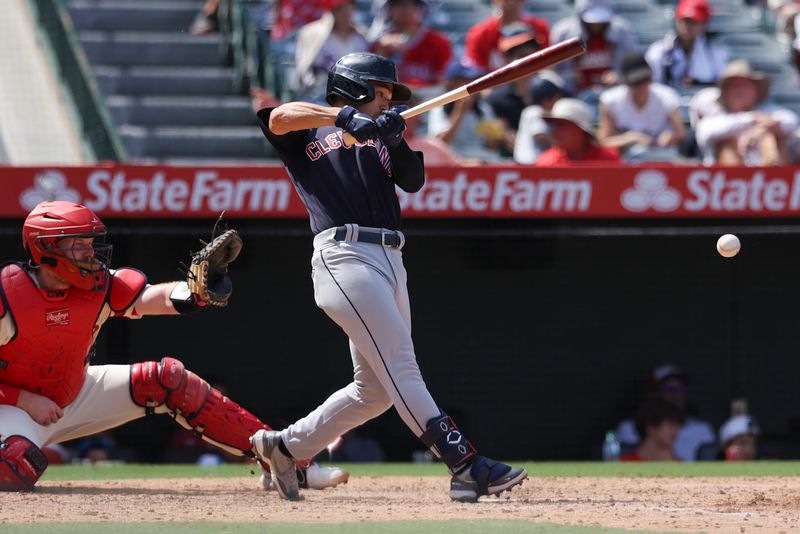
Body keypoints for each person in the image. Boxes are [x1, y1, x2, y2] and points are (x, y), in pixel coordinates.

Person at [252, 52, 527, 502]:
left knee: (375, 391)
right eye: (381, 93)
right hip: (344, 254)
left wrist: (395, 139)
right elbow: (280, 117)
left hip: (391, 259)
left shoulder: (382, 133)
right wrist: (345, 117)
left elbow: (414, 179)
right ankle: (465, 464)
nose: (387, 102)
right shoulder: (313, 130)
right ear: (356, 88)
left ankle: (285, 447)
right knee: (402, 363)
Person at [0, 200, 348, 492]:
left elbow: (153, 297)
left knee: (167, 379)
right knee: (15, 465)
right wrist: (25, 400)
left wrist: (195, 290)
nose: (90, 252)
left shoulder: (99, 285)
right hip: (15, 407)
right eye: (78, 244)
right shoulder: (8, 296)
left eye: (90, 243)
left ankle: (287, 461)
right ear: (46, 249)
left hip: (71, 393)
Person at [695, 60, 800, 165]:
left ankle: (776, 174)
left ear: (756, 89)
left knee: (770, 137)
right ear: (726, 92)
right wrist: (752, 119)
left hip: (770, 176)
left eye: (744, 85)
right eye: (734, 86)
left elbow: (792, 121)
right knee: (727, 144)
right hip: (728, 178)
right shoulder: (717, 115)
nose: (739, 90)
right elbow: (705, 132)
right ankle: (736, 177)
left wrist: (763, 130)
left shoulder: (770, 110)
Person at [597, 52, 686, 162]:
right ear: (625, 82)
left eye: (645, 79)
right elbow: (603, 141)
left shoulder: (667, 96)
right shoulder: (611, 100)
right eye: (636, 82)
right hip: (626, 159)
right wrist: (631, 138)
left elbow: (681, 133)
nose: (642, 86)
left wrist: (671, 137)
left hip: (662, 154)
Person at [616, 365, 716, 461]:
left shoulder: (702, 429)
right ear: (654, 392)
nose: (676, 394)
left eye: (681, 389)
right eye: (670, 389)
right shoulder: (628, 428)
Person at [427, 60, 508, 164]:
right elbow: (440, 143)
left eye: (475, 80)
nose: (474, 85)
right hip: (452, 161)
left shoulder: (484, 109)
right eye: (467, 80)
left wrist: (497, 135)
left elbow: (491, 146)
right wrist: (460, 111)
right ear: (452, 83)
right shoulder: (438, 109)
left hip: (483, 159)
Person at [550, 0, 638, 94]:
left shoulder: (622, 32)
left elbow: (633, 70)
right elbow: (552, 73)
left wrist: (617, 77)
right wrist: (569, 77)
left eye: (601, 21)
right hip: (572, 96)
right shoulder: (563, 33)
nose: (596, 25)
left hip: (612, 95)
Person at [292, 0, 369, 102]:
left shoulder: (361, 37)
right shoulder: (312, 33)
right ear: (332, 10)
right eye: (340, 7)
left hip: (355, 93)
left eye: (349, 6)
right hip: (322, 94)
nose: (346, 11)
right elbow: (305, 71)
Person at [645, 0, 729, 89]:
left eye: (694, 22)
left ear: (704, 25)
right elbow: (651, 87)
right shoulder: (658, 51)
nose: (687, 27)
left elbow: (721, 86)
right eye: (684, 21)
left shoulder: (717, 54)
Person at [370, 0, 452, 89]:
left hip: (428, 99)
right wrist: (382, 50)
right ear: (389, 9)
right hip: (391, 100)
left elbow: (444, 83)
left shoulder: (439, 42)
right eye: (399, 4)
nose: (406, 9)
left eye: (414, 4)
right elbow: (374, 81)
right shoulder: (381, 43)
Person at [464, 0, 550, 71]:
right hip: (496, 86)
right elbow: (477, 72)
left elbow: (547, 64)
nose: (511, 2)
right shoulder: (480, 34)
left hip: (532, 82)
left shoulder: (539, 27)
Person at [536, 97, 621, 165]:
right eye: (553, 125)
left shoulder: (608, 159)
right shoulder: (546, 162)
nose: (554, 130)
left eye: (561, 125)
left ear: (579, 130)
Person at [514, 72, 567, 164]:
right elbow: (541, 136)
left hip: (535, 164)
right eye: (556, 98)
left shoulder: (544, 112)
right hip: (528, 165)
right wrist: (562, 147)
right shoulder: (534, 111)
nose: (558, 101)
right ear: (546, 100)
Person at [620, 398, 684, 462]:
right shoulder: (624, 463)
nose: (676, 431)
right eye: (671, 425)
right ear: (650, 427)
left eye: (678, 426)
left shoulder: (681, 466)